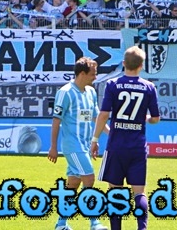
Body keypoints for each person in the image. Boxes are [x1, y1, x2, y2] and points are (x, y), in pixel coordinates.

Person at [91, 46, 161, 230]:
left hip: (116, 146)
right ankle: (142, 228)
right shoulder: (149, 87)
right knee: (139, 192)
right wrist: (145, 118)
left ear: (124, 64)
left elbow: (104, 115)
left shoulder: (112, 85)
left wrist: (95, 139)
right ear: (141, 66)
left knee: (115, 191)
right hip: (137, 146)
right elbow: (155, 118)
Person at [47, 57, 108, 230]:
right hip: (72, 145)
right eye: (92, 74)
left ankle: (61, 224)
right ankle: (94, 221)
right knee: (89, 177)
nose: (95, 77)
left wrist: (112, 134)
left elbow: (96, 117)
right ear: (82, 73)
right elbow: (56, 120)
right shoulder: (66, 92)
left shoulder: (90, 92)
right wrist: (53, 147)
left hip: (85, 145)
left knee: (73, 184)